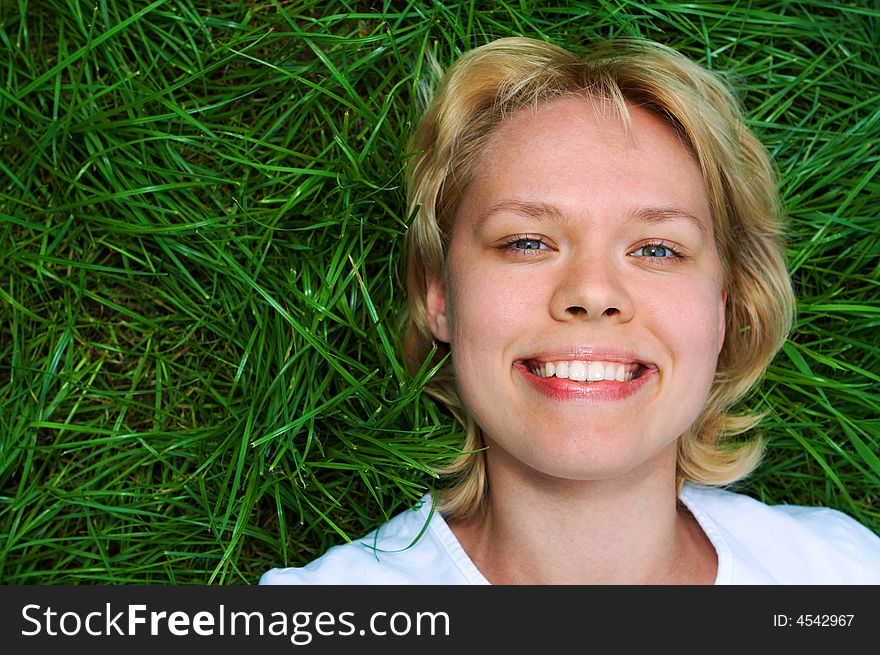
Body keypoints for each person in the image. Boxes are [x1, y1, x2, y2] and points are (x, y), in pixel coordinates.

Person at [260, 36, 880, 584]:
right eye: (527, 242)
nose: (591, 292)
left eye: (658, 249)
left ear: (723, 308)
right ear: (439, 297)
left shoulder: (844, 572)